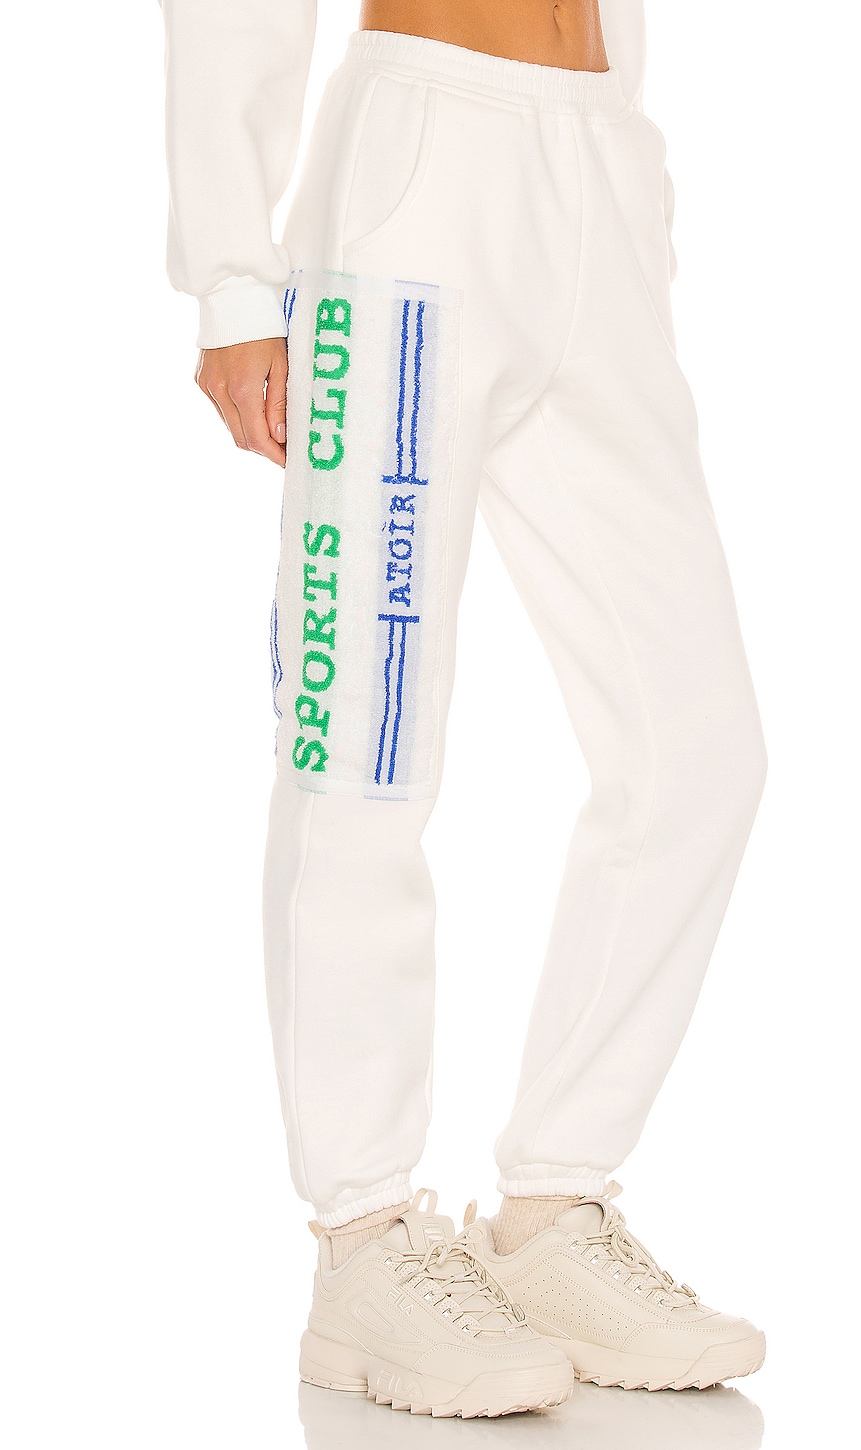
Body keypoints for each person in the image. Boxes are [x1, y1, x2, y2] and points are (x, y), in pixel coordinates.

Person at [160, 0, 768, 1418]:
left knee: (699, 746)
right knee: (365, 747)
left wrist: (627, 161)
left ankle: (554, 1206)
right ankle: (364, 1238)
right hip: (420, 170)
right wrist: (233, 281)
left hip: (598, 160)